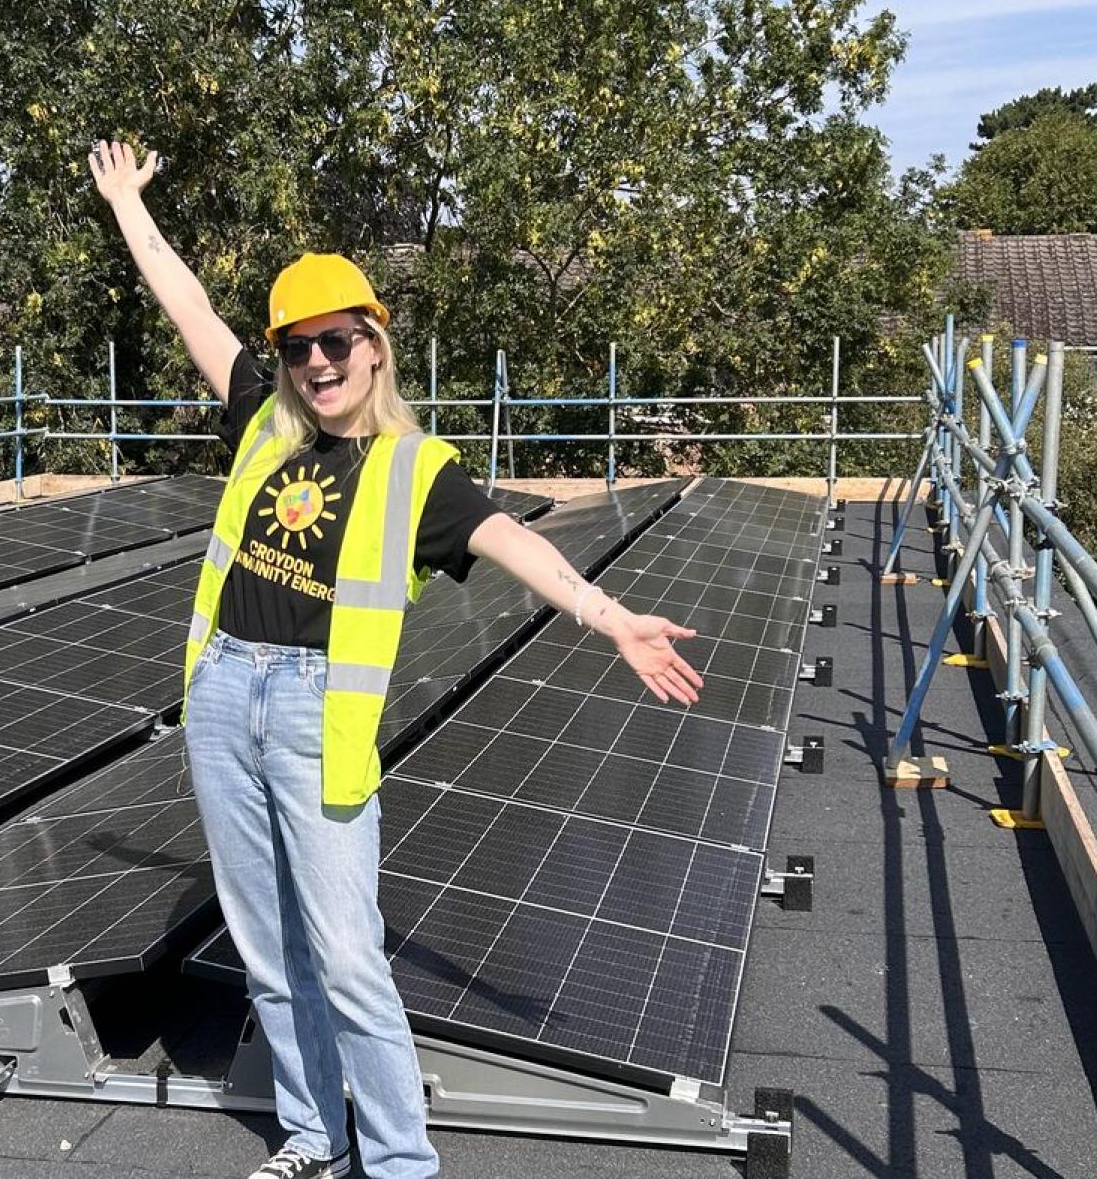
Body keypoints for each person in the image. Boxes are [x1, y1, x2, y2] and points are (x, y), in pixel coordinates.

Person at [90, 139, 702, 1179]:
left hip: (315, 717)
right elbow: (191, 309)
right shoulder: (262, 422)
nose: (317, 363)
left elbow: (513, 541)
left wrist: (609, 615)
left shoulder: (420, 470)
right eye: (298, 348)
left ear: (375, 344)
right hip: (224, 687)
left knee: (345, 957)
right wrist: (127, 208)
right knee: (268, 952)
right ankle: (311, 1135)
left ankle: (402, 1162)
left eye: (337, 341)